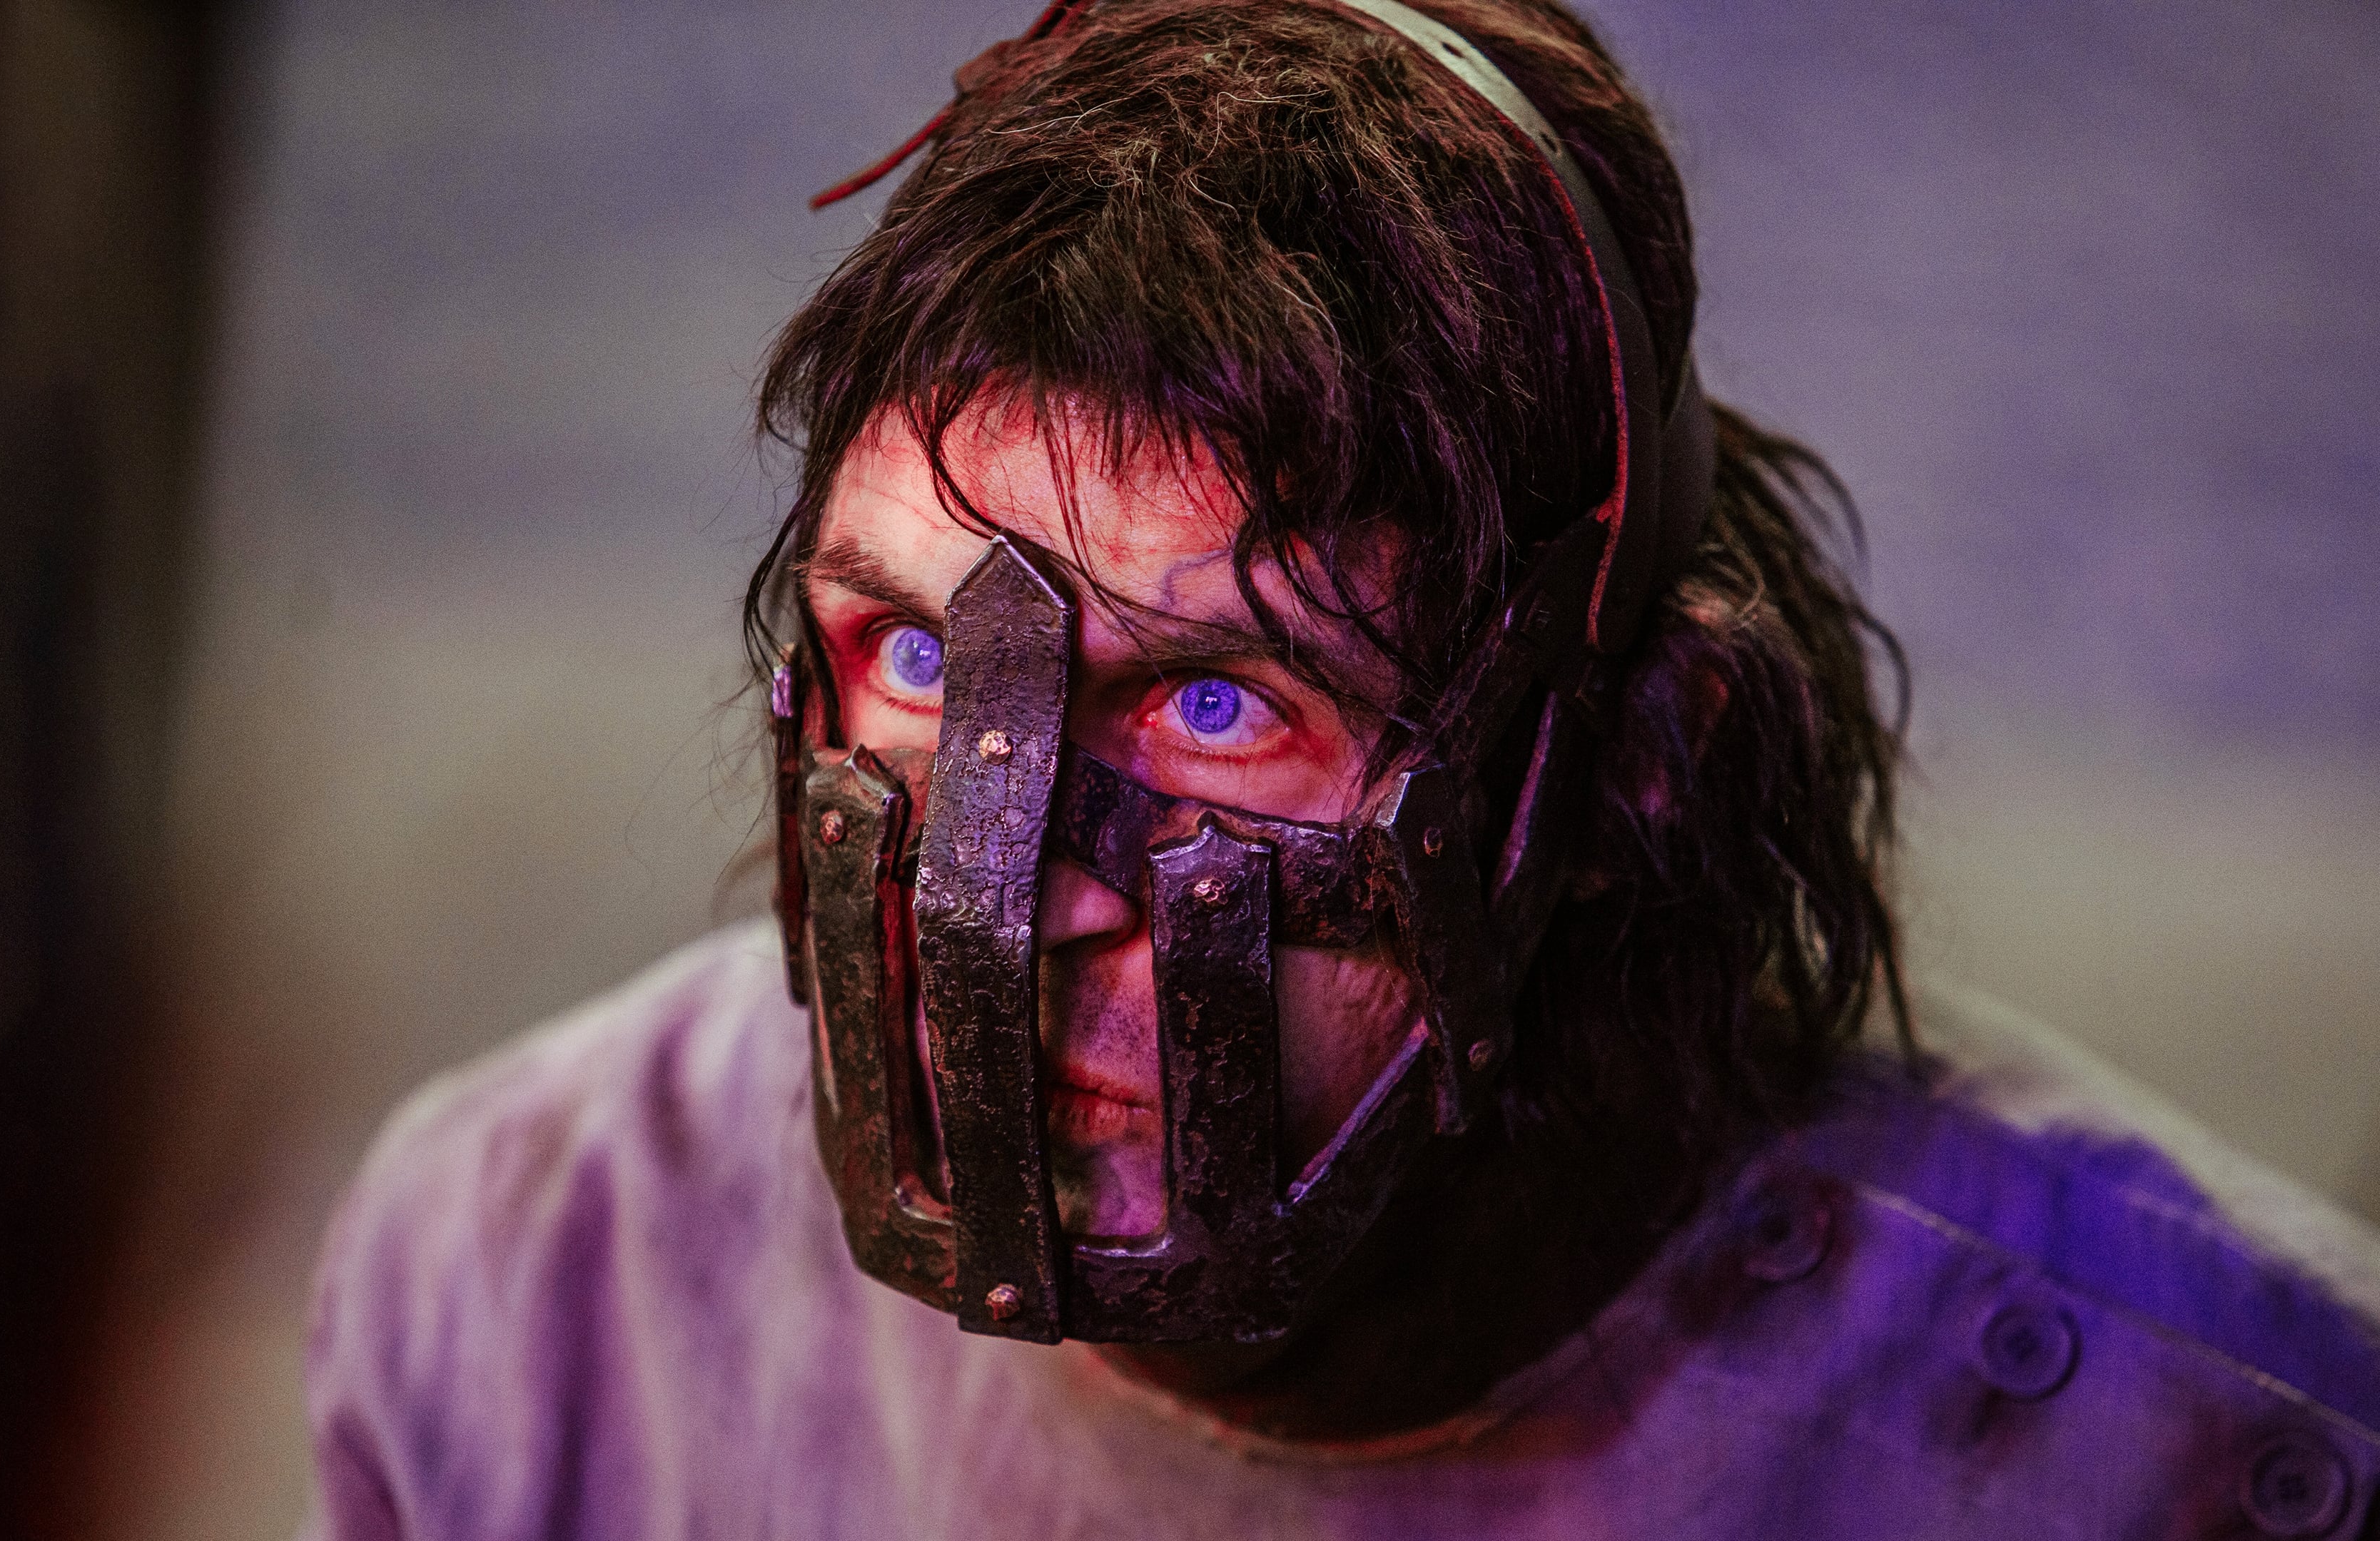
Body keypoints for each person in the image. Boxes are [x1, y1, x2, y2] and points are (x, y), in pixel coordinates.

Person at [300, 1, 2380, 1535]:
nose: (1016, 900)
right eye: (922, 659)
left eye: (1219, 705)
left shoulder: (2221, 1455)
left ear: (1636, 773)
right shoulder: (527, 1283)